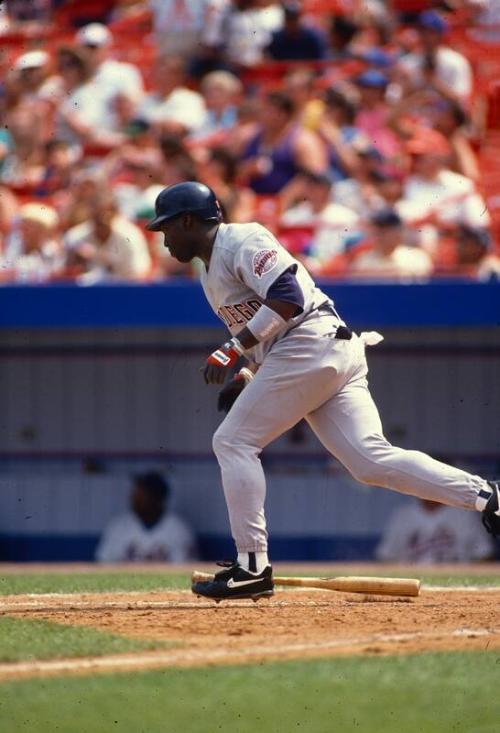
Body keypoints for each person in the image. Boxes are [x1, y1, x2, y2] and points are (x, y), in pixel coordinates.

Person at [146, 181, 500, 601]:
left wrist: (232, 349)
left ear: (188, 221)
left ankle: (252, 566)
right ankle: (487, 495)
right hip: (321, 349)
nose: (164, 240)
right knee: (369, 460)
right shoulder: (208, 272)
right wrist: (249, 375)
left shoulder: (241, 239)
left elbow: (288, 297)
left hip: (311, 342)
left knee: (233, 441)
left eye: (167, 228)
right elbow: (268, 337)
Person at [95, 472, 197, 563]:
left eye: (142, 494)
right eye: (135, 493)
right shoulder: (118, 527)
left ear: (157, 498)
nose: (135, 498)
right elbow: (102, 563)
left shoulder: (178, 529)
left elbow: (186, 569)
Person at [376, 499, 494, 564]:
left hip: (456, 581)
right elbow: (386, 557)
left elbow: (484, 555)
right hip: (412, 577)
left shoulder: (464, 513)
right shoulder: (403, 515)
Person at [348, 208, 433, 280]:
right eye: (377, 231)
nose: (380, 236)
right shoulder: (362, 261)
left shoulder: (417, 258)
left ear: (398, 233)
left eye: (386, 231)